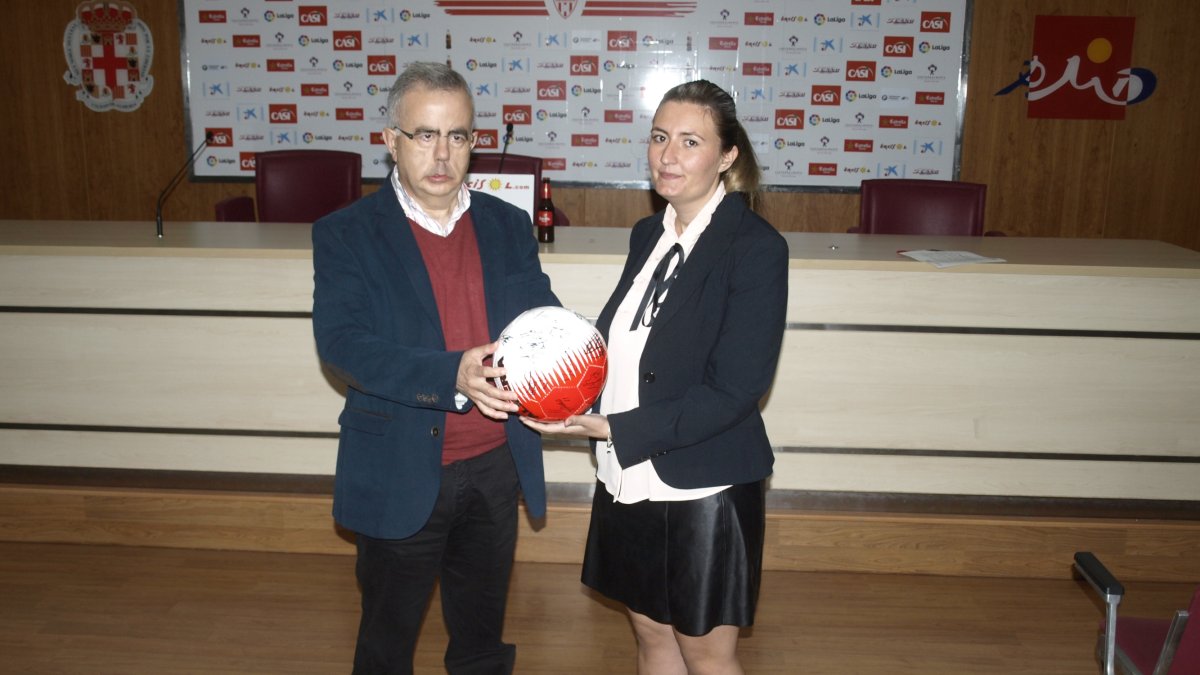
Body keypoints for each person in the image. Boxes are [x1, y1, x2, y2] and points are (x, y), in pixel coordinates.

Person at [523, 80, 789, 674]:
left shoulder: (755, 248)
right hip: (626, 473)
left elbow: (737, 390)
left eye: (690, 142)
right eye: (660, 138)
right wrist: (547, 381)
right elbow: (623, 346)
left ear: (727, 157)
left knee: (705, 651)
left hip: (702, 483)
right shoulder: (648, 234)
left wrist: (615, 426)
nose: (668, 156)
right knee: (650, 635)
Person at [311, 61, 559, 674]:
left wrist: (572, 349)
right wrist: (453, 374)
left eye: (458, 135)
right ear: (391, 140)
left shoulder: (506, 224)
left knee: (480, 647)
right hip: (401, 467)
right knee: (386, 649)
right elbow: (344, 344)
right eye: (424, 134)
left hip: (496, 467)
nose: (442, 154)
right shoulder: (346, 234)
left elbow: (538, 315)